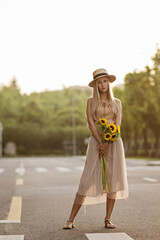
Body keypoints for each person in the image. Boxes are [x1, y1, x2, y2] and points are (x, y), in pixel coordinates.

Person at [63, 68, 129, 229]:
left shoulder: (117, 103)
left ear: (109, 82)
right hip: (96, 143)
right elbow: (91, 124)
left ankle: (108, 219)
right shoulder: (90, 101)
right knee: (86, 180)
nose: (103, 84)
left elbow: (117, 125)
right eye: (99, 82)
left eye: (105, 81)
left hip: (113, 144)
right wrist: (101, 142)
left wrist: (107, 143)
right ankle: (70, 219)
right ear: (95, 85)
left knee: (113, 180)